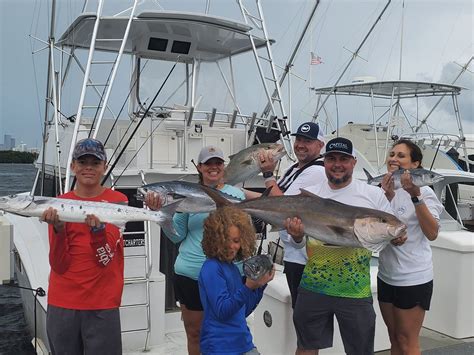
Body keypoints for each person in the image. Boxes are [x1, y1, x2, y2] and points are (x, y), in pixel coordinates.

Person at [285, 137, 406, 355]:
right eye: (331, 159)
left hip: (355, 292)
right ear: (324, 162)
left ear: (353, 162)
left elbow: (390, 230)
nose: (337, 164)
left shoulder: (373, 195)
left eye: (343, 159)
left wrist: (395, 237)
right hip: (313, 286)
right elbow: (296, 244)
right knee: (305, 348)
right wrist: (295, 237)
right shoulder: (309, 194)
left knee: (360, 351)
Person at [145, 145, 245, 355]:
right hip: (191, 273)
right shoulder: (184, 194)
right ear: (199, 167)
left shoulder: (235, 195)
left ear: (223, 166)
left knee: (228, 331)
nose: (213, 167)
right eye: (208, 163)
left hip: (228, 274)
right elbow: (177, 236)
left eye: (217, 163)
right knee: (194, 333)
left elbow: (243, 237)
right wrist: (162, 214)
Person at [41, 138, 128, 354]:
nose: (88, 167)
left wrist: (97, 232)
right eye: (82, 161)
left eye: (95, 162)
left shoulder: (118, 201)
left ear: (104, 167)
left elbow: (105, 259)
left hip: (103, 303)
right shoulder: (59, 204)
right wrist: (58, 230)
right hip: (62, 303)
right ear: (73, 166)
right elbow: (59, 265)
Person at [377, 139, 444, 354]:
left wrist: (415, 197)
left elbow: (432, 233)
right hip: (386, 274)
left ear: (415, 165)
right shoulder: (380, 190)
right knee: (394, 338)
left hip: (413, 277)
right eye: (392, 154)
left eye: (401, 156)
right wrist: (385, 198)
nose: (394, 159)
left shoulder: (426, 193)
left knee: (408, 341)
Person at [251, 121, 326, 308]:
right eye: (298, 139)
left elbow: (284, 207)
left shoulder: (317, 171)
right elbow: (269, 200)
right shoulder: (294, 168)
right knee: (300, 316)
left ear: (320, 145)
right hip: (292, 256)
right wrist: (234, 195)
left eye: (307, 141)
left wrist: (268, 174)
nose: (300, 144)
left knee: (305, 317)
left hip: (304, 260)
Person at [198, 206, 274, 355]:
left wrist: (259, 285)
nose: (233, 246)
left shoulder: (232, 268)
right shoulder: (211, 268)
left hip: (243, 344)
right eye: (227, 240)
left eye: (237, 241)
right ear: (215, 239)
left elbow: (243, 311)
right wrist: (248, 287)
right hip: (219, 348)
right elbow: (222, 311)